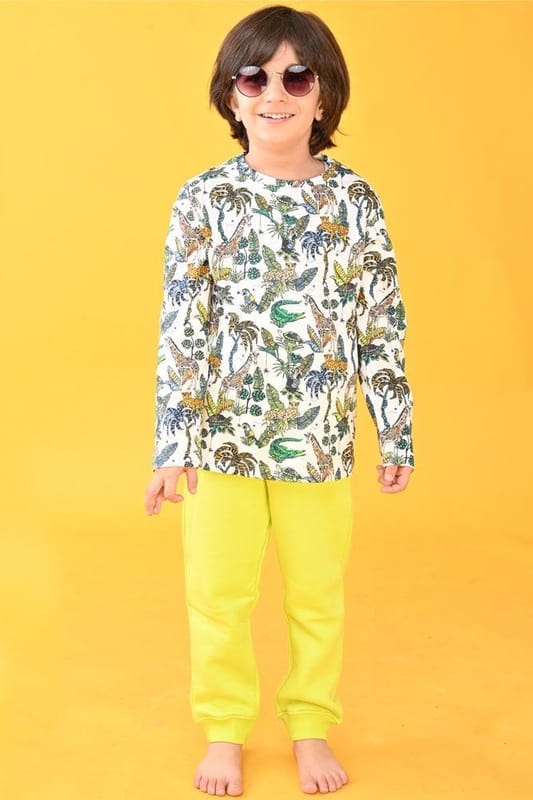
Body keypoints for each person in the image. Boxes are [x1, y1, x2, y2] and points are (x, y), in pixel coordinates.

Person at [144, 4, 415, 795]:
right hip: (220, 442)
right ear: (230, 96)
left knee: (316, 595)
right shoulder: (202, 199)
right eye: (253, 77)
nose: (274, 93)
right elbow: (182, 328)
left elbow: (380, 321)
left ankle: (308, 723)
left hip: (318, 442)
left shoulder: (354, 201)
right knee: (217, 596)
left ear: (324, 95)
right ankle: (224, 727)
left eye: (296, 77)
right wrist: (172, 445)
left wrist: (394, 430)